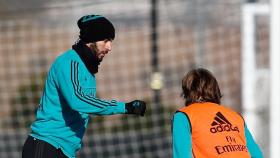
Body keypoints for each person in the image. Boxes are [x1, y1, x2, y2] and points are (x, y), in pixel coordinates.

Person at [22, 14, 146, 158]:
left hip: (63, 150)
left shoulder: (87, 69)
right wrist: (125, 107)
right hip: (46, 146)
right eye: (105, 41)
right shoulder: (69, 62)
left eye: (111, 42)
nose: (109, 47)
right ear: (90, 40)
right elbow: (78, 101)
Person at [172, 68, 263, 158]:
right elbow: (257, 154)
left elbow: (182, 155)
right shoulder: (235, 116)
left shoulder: (183, 116)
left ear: (187, 91)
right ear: (215, 89)